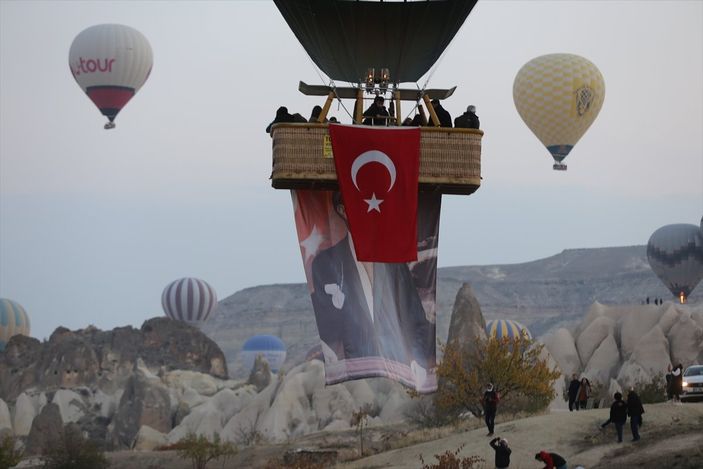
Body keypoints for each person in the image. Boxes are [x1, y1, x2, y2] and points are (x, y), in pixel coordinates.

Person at [309, 192, 436, 389]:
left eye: (372, 203)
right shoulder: (325, 263)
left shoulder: (394, 262)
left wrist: (417, 361)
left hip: (399, 375)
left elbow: (417, 321)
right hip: (357, 378)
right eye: (361, 203)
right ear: (342, 210)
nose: (370, 208)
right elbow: (328, 331)